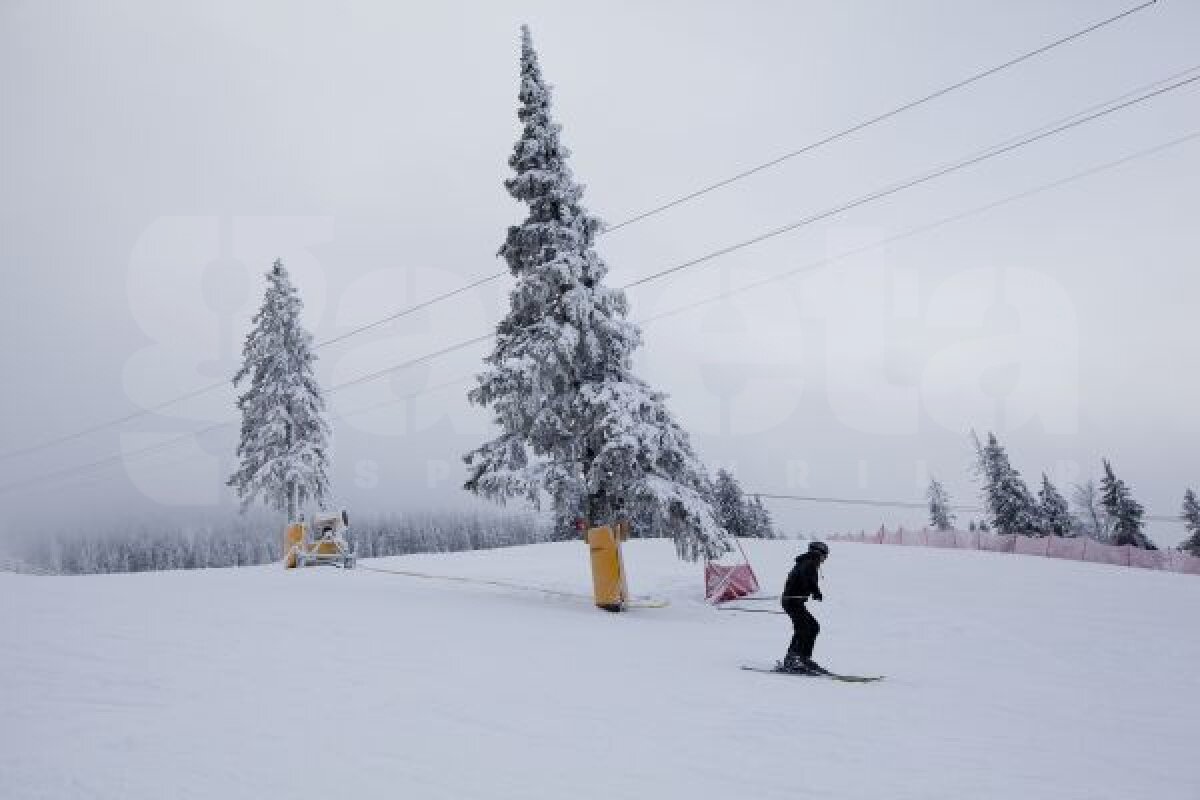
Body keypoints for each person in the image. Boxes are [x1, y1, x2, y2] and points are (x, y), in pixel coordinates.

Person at [780, 541, 829, 673]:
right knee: (805, 628)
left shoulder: (808, 562)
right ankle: (794, 659)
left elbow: (806, 579)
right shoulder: (810, 562)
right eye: (825, 556)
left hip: (794, 601)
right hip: (792, 601)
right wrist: (815, 591)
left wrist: (812, 591)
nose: (825, 559)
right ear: (820, 553)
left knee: (812, 627)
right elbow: (806, 578)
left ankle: (802, 657)